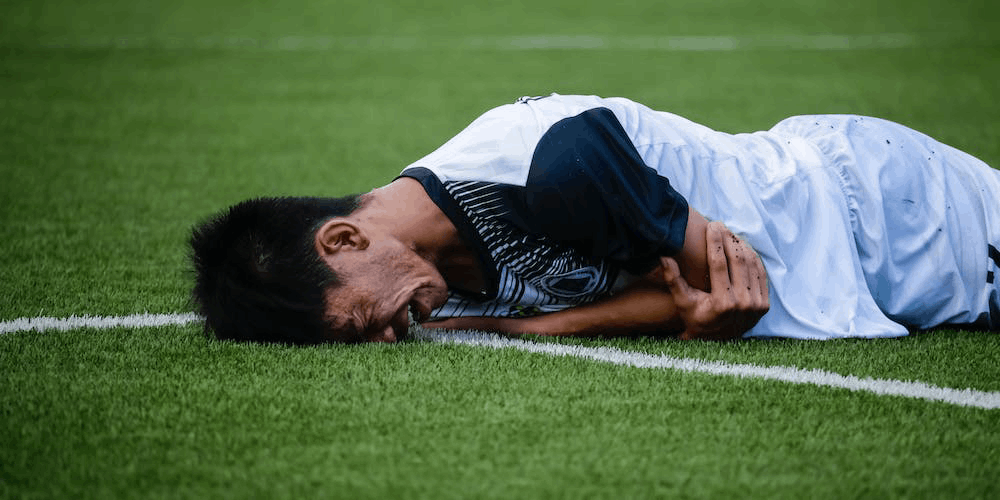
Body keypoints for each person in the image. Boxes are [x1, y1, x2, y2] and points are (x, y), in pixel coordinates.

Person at [190, 94, 1000, 344]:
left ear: (343, 239)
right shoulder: (427, 282)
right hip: (867, 277)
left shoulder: (541, 160)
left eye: (358, 322)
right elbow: (680, 302)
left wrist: (688, 306)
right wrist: (521, 328)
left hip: (875, 206)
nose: (384, 338)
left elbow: (721, 285)